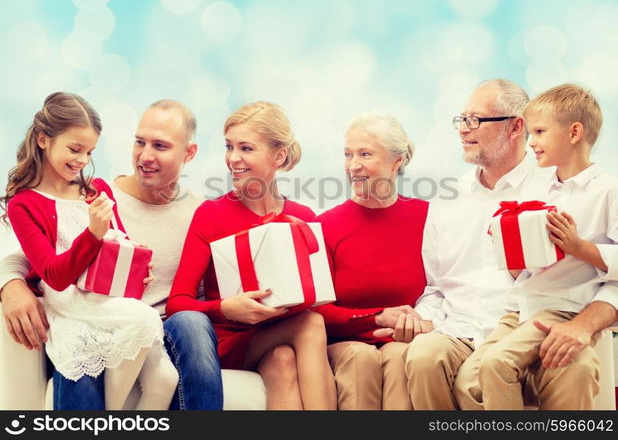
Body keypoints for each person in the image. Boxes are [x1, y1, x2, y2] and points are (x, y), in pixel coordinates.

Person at [402, 78, 618, 409]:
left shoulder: (555, 184)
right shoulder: (448, 198)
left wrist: (583, 323)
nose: (463, 129)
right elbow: (436, 286)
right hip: (468, 329)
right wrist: (425, 318)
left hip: (542, 319)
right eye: (460, 120)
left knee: (571, 368)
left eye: (474, 120)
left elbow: (592, 270)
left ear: (515, 127)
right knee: (430, 360)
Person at [0, 99, 224, 410]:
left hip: (154, 323)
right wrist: (9, 284)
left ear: (189, 153)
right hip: (85, 311)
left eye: (160, 145)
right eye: (139, 142)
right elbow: (29, 257)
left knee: (183, 338)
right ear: (43, 140)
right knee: (85, 352)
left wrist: (137, 268)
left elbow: (122, 245)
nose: (145, 156)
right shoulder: (100, 192)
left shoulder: (201, 211)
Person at [166, 100, 337, 410]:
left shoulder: (303, 217)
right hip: (230, 339)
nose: (233, 158)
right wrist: (226, 309)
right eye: (229, 147)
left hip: (278, 339)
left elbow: (321, 300)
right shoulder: (212, 213)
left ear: (279, 155)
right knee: (310, 325)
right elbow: (177, 302)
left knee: (283, 360)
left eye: (246, 148)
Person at [314, 112, 428, 410]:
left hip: (404, 341)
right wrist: (378, 317)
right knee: (360, 358)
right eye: (348, 154)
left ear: (396, 161)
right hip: (347, 344)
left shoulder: (427, 218)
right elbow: (317, 312)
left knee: (400, 356)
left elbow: (449, 289)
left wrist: (419, 325)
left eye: (365, 154)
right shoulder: (325, 225)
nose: (353, 166)